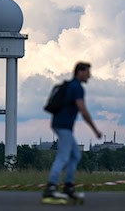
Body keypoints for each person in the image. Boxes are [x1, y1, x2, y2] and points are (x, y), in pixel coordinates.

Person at [42, 62, 102, 203]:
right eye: (88, 72)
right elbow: (82, 109)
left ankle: (68, 187)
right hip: (63, 126)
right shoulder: (77, 87)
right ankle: (50, 189)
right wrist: (95, 129)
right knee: (63, 157)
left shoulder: (70, 85)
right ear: (80, 72)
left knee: (75, 154)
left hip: (60, 124)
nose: (90, 75)